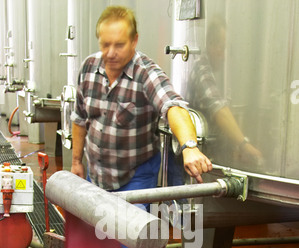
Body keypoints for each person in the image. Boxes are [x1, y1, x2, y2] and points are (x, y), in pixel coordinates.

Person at [71, 6, 212, 191]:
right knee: (95, 219)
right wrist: (76, 161)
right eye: (105, 44)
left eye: (119, 45)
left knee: (127, 220)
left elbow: (173, 106)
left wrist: (190, 147)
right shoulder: (89, 67)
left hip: (135, 177)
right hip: (96, 174)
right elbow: (79, 118)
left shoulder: (146, 74)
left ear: (134, 40)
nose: (111, 53)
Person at [187, 15, 262, 164]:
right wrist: (244, 144)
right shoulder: (202, 68)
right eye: (221, 47)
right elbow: (219, 109)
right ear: (210, 44)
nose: (223, 54)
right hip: (200, 155)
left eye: (225, 47)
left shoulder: (218, 72)